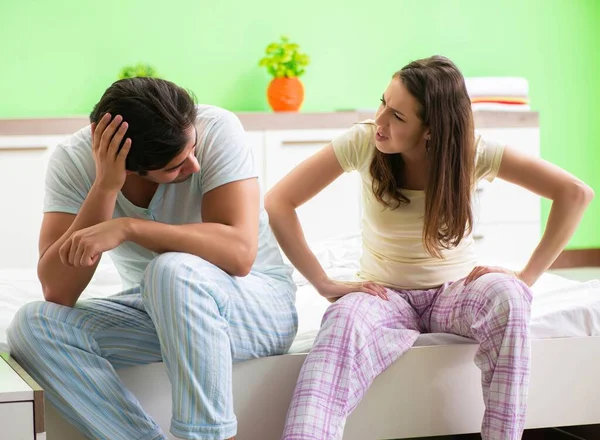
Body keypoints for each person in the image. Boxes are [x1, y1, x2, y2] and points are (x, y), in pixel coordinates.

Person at [265, 55, 594, 440]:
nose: (381, 119)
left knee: (512, 296)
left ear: (431, 131)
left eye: (398, 116)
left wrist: (526, 277)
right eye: (383, 101)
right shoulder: (363, 140)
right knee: (342, 320)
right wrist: (322, 282)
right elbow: (278, 202)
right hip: (381, 294)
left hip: (453, 293)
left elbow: (575, 193)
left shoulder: (471, 152)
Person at [7, 77, 298, 440]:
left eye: (192, 149)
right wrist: (105, 187)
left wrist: (130, 228)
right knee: (32, 325)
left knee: (171, 270)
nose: (193, 166)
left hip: (255, 306)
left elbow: (239, 254)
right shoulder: (73, 161)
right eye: (175, 167)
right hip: (160, 310)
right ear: (130, 167)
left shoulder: (219, 129)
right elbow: (58, 290)